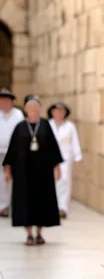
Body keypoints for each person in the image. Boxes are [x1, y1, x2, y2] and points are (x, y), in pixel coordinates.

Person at [2, 95, 63, 245]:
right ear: (26, 111)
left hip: (43, 173)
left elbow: (53, 148)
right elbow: (12, 151)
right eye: (31, 109)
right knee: (25, 203)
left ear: (39, 110)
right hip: (23, 173)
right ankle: (29, 234)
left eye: (36, 109)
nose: (33, 112)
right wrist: (8, 170)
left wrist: (57, 168)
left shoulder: (45, 126)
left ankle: (39, 233)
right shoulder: (20, 127)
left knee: (42, 202)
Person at [48, 101, 82, 218]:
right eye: (56, 111)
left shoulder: (69, 126)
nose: (59, 113)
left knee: (65, 181)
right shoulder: (47, 125)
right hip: (50, 158)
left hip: (65, 157)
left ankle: (62, 208)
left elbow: (74, 142)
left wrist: (77, 157)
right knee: (50, 182)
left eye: (61, 111)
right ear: (52, 112)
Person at [0, 88, 24, 217]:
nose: (4, 103)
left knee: (15, 179)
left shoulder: (18, 114)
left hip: (15, 153)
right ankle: (3, 206)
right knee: (1, 180)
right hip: (0, 153)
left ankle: (16, 206)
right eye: (1, 100)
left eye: (6, 100)